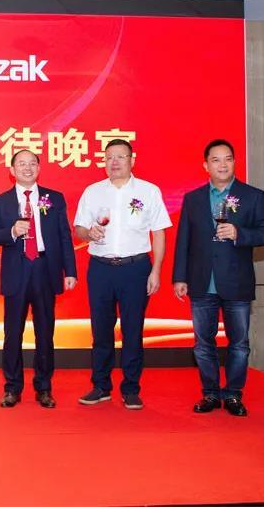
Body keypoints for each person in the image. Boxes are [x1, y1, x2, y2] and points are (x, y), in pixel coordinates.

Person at [173, 139, 264, 417]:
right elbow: (183, 240)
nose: (222, 165)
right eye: (216, 160)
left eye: (228, 159)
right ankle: (210, 393)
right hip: (201, 281)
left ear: (234, 162)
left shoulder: (253, 196)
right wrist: (179, 277)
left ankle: (232, 394)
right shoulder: (193, 198)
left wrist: (240, 233)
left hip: (237, 281)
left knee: (239, 344)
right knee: (202, 344)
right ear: (205, 165)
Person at [74, 139, 171, 410]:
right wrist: (88, 233)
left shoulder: (148, 191)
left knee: (132, 330)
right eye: (109, 157)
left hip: (135, 268)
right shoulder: (93, 192)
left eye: (120, 156)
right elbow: (79, 229)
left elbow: (159, 233)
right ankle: (101, 386)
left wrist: (156, 270)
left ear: (132, 160)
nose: (114, 162)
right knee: (100, 330)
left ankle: (130, 388)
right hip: (101, 268)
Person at [0, 150, 77, 409]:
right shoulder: (1, 201)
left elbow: (64, 236)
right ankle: (12, 388)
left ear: (39, 168)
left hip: (45, 269)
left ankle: (44, 387)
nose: (27, 168)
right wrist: (12, 231)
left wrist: (70, 271)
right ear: (12, 170)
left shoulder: (53, 198)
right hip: (17, 270)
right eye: (21, 164)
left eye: (32, 163)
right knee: (12, 333)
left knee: (45, 332)